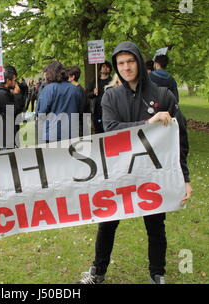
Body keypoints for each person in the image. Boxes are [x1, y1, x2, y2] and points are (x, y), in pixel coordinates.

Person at [77, 41, 192, 285]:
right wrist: (149, 124)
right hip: (119, 172)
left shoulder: (163, 95)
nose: (126, 67)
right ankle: (97, 273)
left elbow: (179, 138)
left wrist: (185, 178)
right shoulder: (110, 96)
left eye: (130, 61)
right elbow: (111, 129)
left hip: (153, 174)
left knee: (155, 226)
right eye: (121, 63)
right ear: (116, 67)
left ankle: (157, 275)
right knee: (107, 223)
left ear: (139, 61)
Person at [36, 61, 82, 143]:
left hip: (53, 135)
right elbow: (80, 109)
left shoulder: (48, 89)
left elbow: (41, 113)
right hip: (71, 134)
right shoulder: (75, 89)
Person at [0, 65, 24, 150]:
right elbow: (15, 111)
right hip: (7, 137)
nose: (16, 82)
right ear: (8, 80)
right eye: (14, 80)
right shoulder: (3, 94)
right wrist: (17, 95)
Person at [86, 61, 112, 134]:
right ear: (100, 69)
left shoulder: (112, 81)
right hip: (97, 111)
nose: (106, 68)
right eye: (103, 66)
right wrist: (93, 93)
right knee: (98, 131)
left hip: (109, 111)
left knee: (108, 131)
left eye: (107, 67)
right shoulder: (95, 81)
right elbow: (86, 94)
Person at [66, 65, 90, 137]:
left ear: (72, 77)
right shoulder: (77, 89)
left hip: (79, 126)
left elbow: (81, 110)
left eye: (67, 76)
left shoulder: (79, 91)